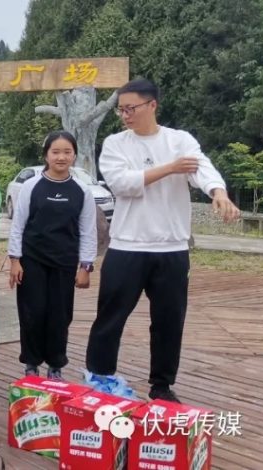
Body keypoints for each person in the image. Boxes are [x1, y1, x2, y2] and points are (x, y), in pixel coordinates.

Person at [85, 79, 240, 403]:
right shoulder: (115, 144)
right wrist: (170, 168)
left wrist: (219, 192)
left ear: (152, 105)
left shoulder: (179, 140)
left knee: (169, 321)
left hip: (171, 248)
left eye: (131, 108)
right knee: (110, 317)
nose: (125, 115)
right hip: (127, 246)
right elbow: (122, 184)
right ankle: (100, 378)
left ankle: (162, 385)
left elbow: (202, 169)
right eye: (121, 110)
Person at [8, 131, 97, 380]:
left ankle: (56, 365)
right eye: (55, 152)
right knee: (32, 312)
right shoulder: (31, 186)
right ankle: (31, 363)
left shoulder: (82, 191)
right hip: (32, 260)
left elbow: (87, 231)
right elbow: (18, 225)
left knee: (60, 315)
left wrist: (86, 266)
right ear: (46, 155)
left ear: (74, 155)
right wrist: (15, 259)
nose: (61, 157)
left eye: (67, 152)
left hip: (64, 262)